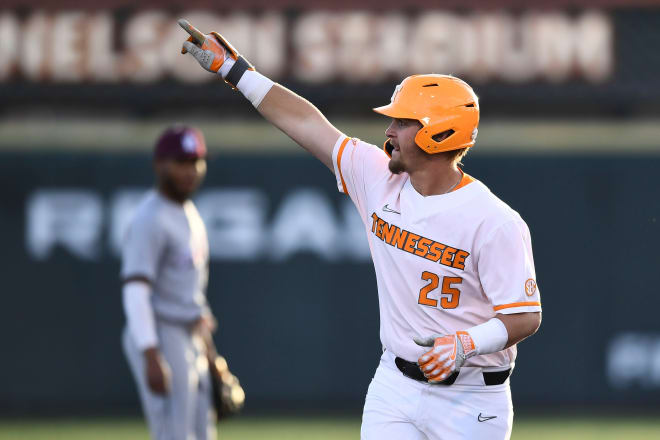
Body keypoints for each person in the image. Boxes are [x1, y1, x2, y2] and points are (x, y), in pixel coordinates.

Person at [178, 19, 542, 439]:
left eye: (403, 123)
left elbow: (524, 316)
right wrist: (235, 71)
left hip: (472, 399)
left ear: (438, 134)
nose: (389, 131)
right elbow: (308, 124)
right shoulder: (377, 177)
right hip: (396, 385)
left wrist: (465, 344)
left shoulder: (493, 220)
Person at [120, 125, 217, 440]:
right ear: (159, 164)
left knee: (203, 433)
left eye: (195, 162)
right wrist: (150, 353)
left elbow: (192, 298)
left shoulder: (190, 214)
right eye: (180, 162)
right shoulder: (150, 217)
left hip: (190, 334)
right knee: (173, 434)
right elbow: (135, 290)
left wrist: (212, 356)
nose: (190, 171)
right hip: (161, 332)